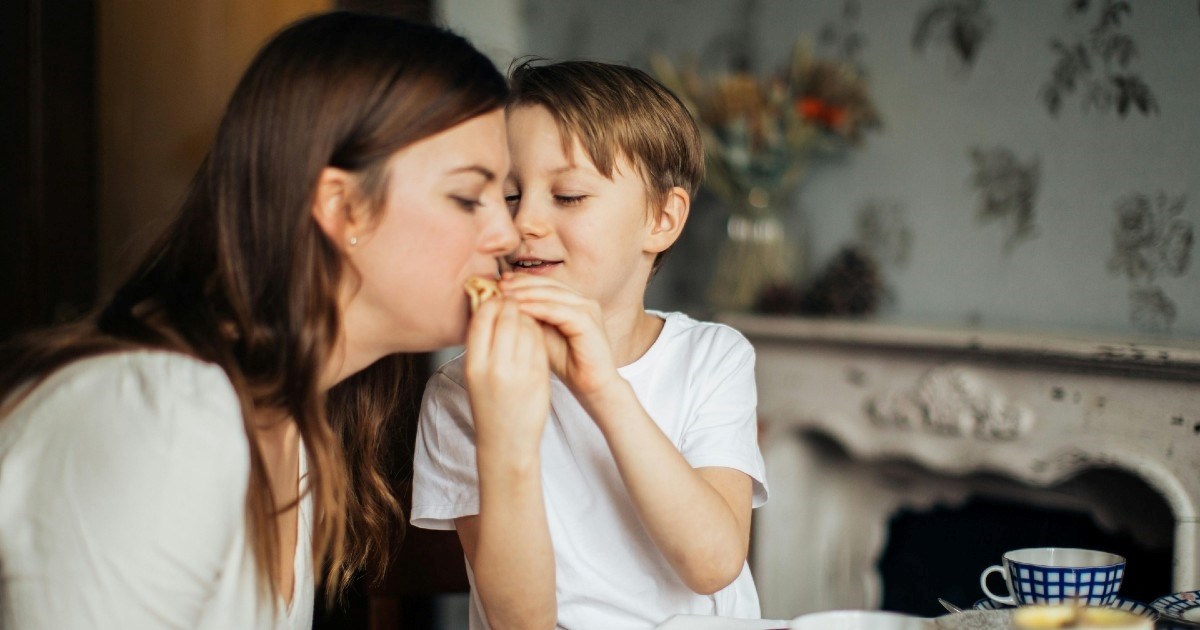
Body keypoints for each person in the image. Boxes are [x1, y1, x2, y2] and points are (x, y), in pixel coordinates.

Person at [0, 11, 551, 629]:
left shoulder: (296, 426)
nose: (507, 233)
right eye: (465, 196)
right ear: (341, 206)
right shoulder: (166, 417)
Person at [412, 59, 770, 628]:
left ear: (662, 218)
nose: (523, 221)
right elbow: (518, 621)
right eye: (507, 195)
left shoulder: (713, 357)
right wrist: (505, 429)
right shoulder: (463, 391)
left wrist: (601, 387)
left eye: (569, 196)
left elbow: (713, 564)